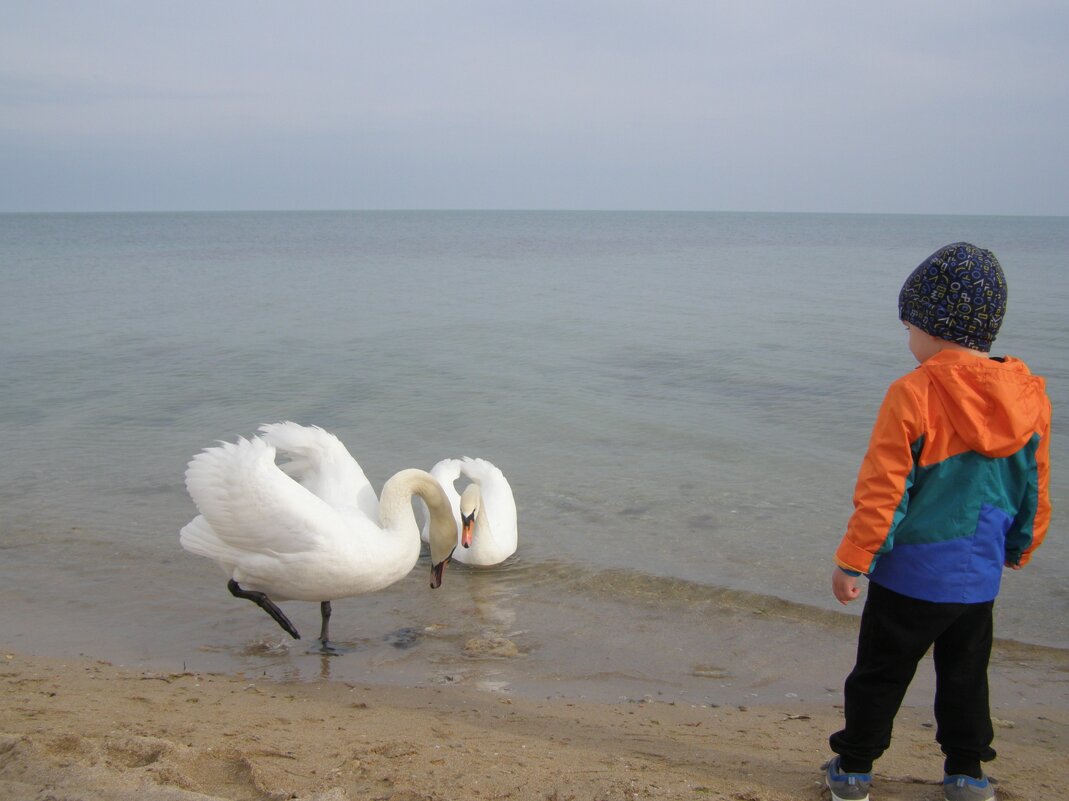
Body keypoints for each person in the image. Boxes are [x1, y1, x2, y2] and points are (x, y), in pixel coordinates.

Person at [822, 242, 1052, 801]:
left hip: (911, 576)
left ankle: (853, 770)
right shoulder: (1027, 395)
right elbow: (1034, 483)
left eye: (909, 328)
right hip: (978, 580)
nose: (908, 341)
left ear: (932, 326)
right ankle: (967, 774)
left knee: (880, 672)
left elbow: (883, 491)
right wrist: (1023, 544)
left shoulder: (914, 392)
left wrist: (853, 559)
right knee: (967, 676)